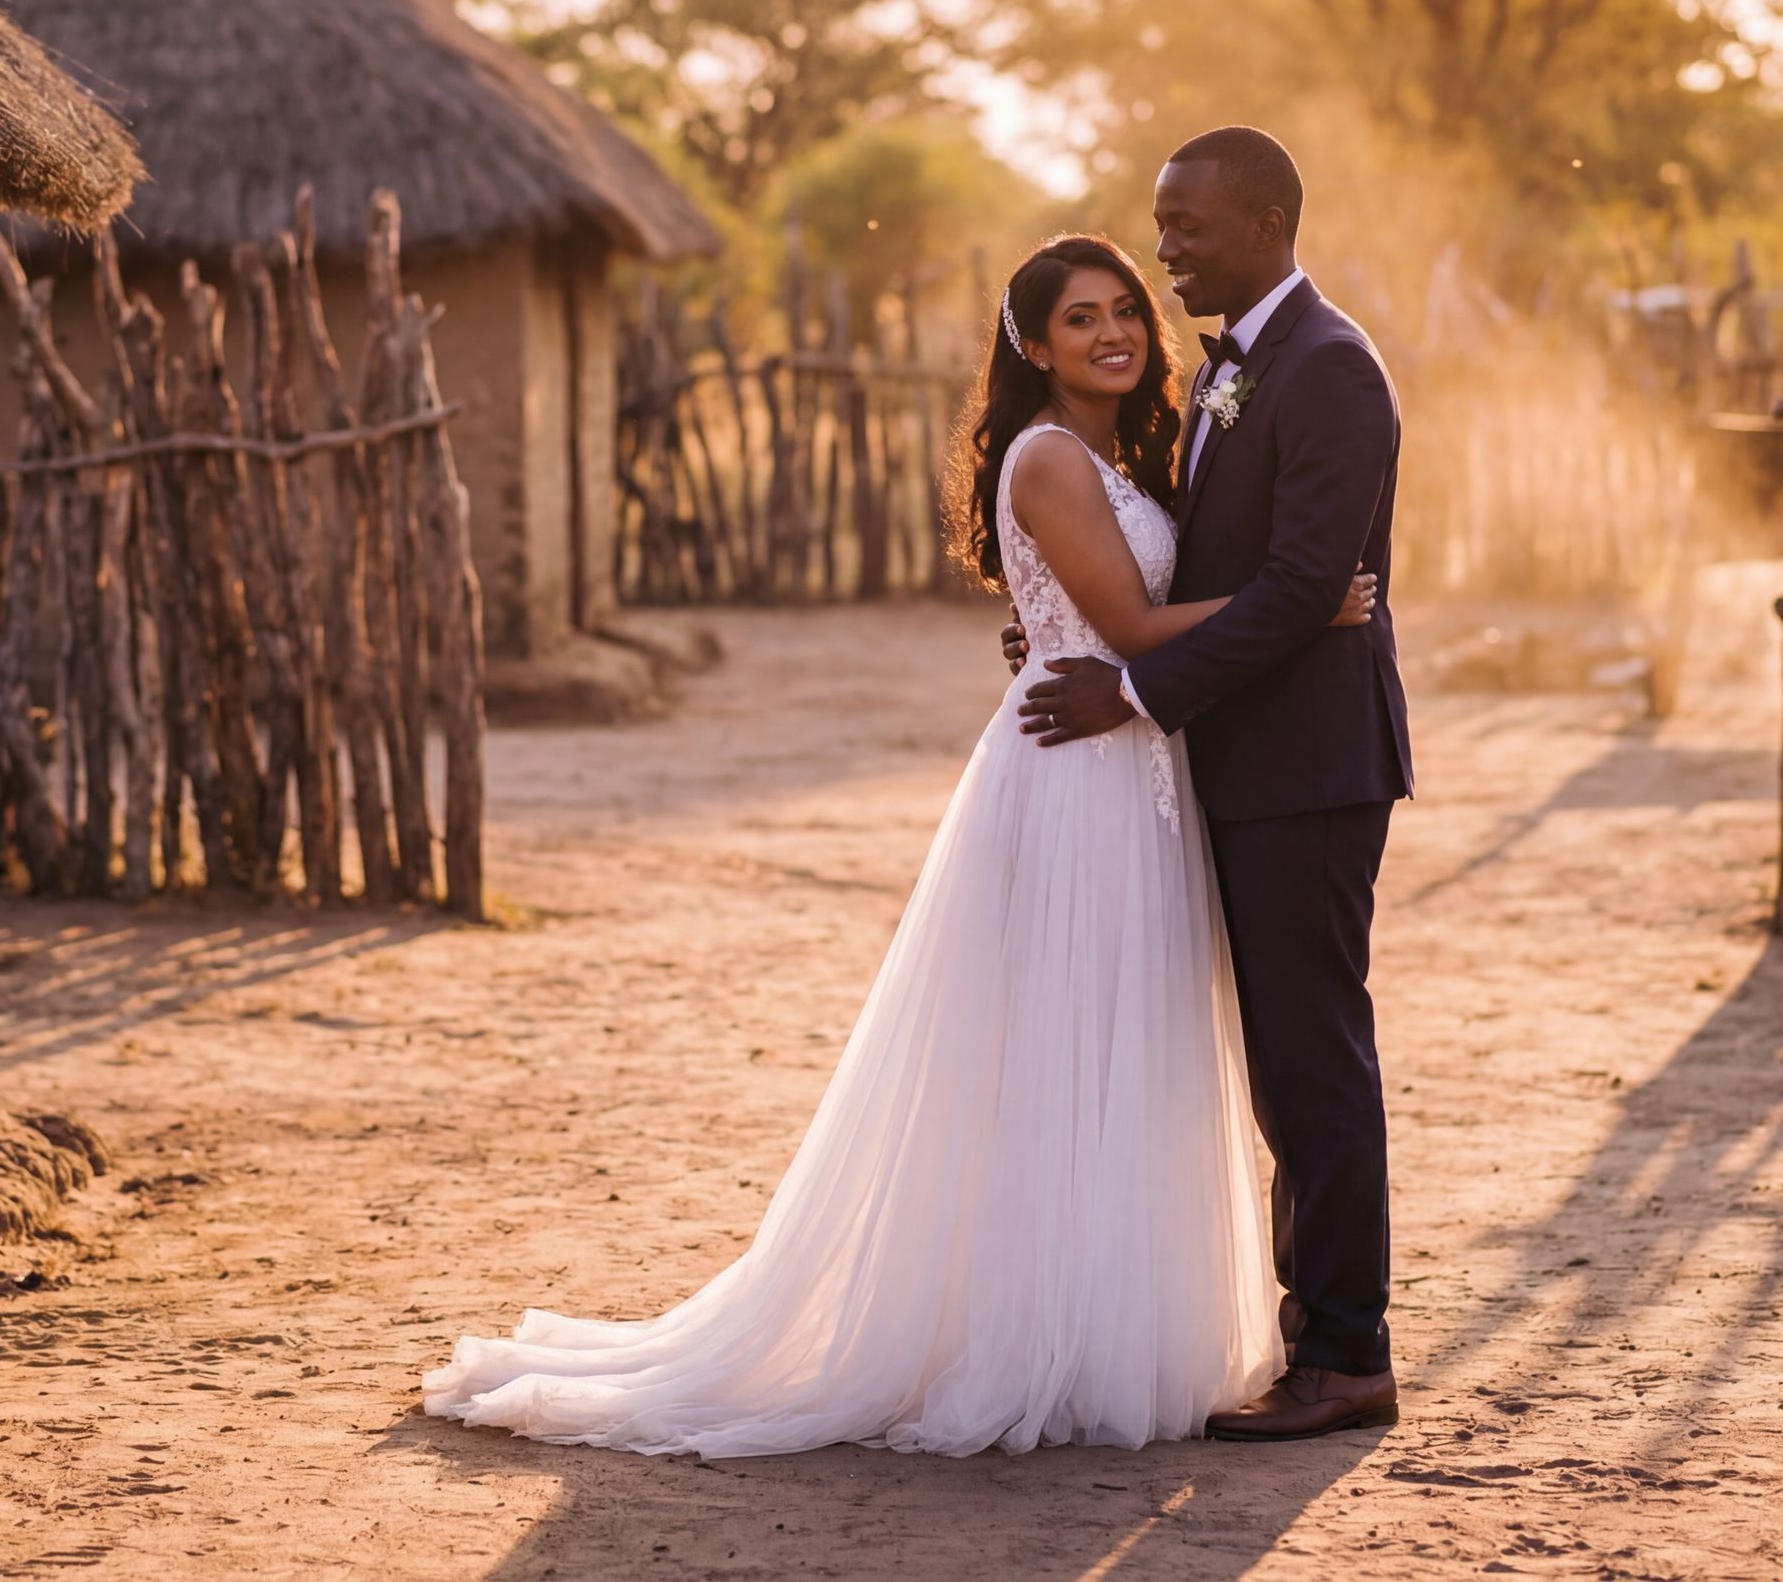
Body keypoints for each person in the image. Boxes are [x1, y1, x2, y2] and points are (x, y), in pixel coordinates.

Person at [422, 231, 1375, 1457]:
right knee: (1058, 1047)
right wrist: (1298, 605)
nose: (1114, 334)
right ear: (1032, 346)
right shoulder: (1045, 456)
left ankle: (1102, 1324)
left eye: (1125, 310)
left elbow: (1108, 611)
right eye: (1080, 320)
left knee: (1126, 1045)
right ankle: (1033, 1337)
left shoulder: (1124, 448)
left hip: (1137, 763)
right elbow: (1129, 620)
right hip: (1079, 773)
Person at [1015, 125, 1413, 1442]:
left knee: (1311, 1060)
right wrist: (1066, 631)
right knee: (1279, 1067)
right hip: (1238, 763)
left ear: (1262, 224)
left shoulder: (1331, 367)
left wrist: (1132, 687)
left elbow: (1306, 586)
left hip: (1308, 766)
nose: (1166, 247)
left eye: (1183, 227)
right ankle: (1321, 1339)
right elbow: (1186, 576)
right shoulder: (1231, 371)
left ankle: (1347, 1353)